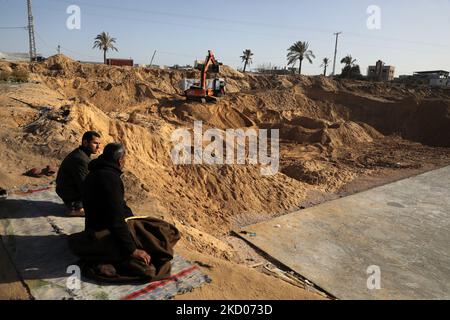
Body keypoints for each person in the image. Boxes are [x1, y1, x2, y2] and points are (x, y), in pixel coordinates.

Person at [68, 143, 180, 282]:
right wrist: (132, 250)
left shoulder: (95, 173)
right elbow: (116, 221)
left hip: (96, 227)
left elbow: (117, 207)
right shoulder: (110, 179)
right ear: (120, 160)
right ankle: (111, 261)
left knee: (150, 229)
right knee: (168, 232)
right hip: (106, 232)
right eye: (125, 159)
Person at [56, 131, 101, 217]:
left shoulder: (82, 154)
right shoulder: (80, 159)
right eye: (95, 143)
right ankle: (76, 208)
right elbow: (84, 185)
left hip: (69, 189)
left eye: (99, 143)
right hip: (69, 192)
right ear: (85, 143)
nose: (98, 146)